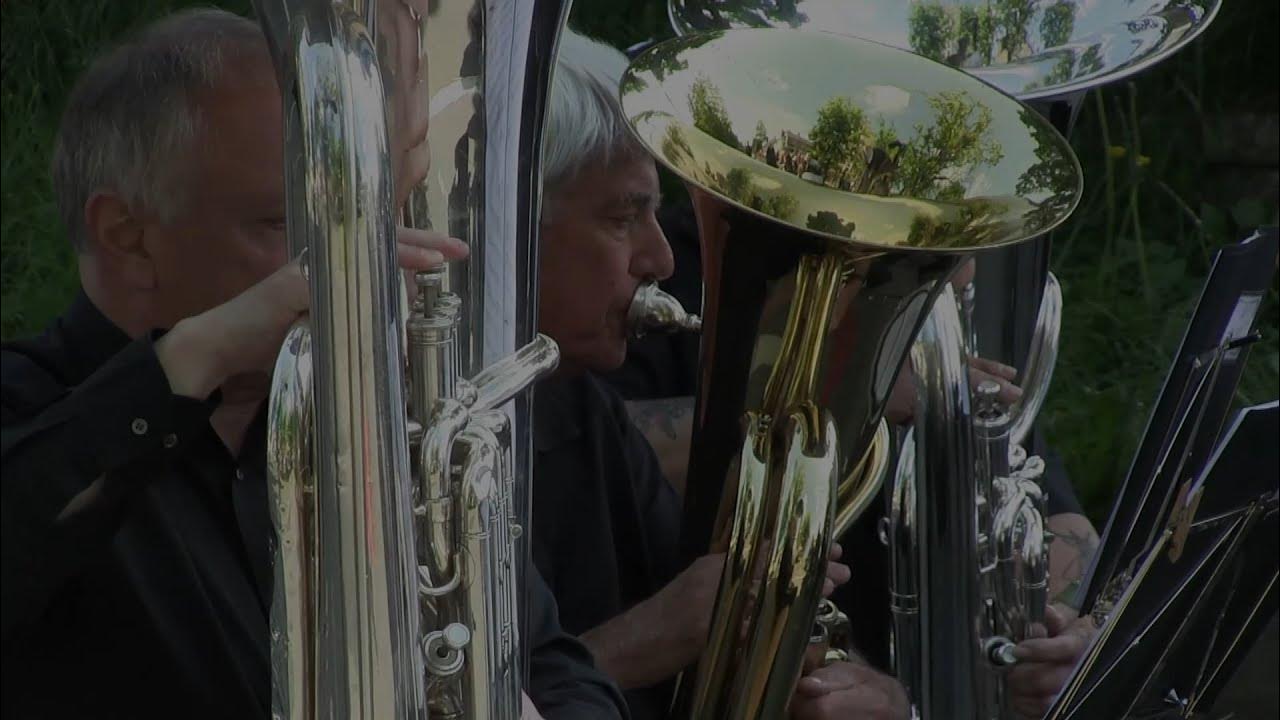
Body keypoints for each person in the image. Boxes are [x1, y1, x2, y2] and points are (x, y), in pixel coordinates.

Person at [0, 10, 625, 720]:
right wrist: (197, 358)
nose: (363, 267)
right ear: (128, 236)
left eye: (373, 223)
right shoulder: (31, 414)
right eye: (289, 225)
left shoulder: (385, 428)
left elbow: (558, 669)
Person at [606, 175, 1100, 720]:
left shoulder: (935, 332)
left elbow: (1062, 525)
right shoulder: (673, 268)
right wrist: (838, 389)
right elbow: (601, 449)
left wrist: (1054, 635)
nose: (966, 274)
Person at [528, 31, 854, 720]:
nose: (662, 259)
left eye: (654, 212)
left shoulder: (582, 407)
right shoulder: (400, 444)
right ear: (518, 224)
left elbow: (701, 634)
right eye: (623, 217)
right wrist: (646, 640)